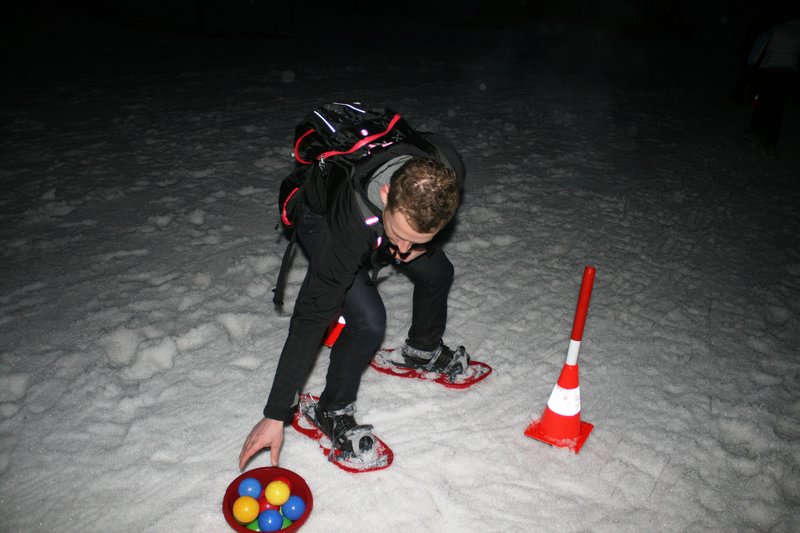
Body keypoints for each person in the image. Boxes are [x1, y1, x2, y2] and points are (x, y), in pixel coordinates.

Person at [239, 128, 467, 469]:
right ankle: (332, 409)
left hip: (380, 218)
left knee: (437, 271)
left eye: (416, 239)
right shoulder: (349, 223)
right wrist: (275, 414)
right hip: (323, 218)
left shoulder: (446, 171)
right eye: (402, 237)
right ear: (387, 194)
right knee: (368, 322)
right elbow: (311, 316)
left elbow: (414, 232)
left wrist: (412, 241)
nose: (403, 250)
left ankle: (422, 349)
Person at [745, 18, 800, 156]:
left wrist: (751, 61)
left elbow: (760, 42)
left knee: (763, 100)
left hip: (769, 68)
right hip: (788, 72)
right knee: (777, 106)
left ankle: (755, 130)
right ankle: (771, 142)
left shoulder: (777, 28)